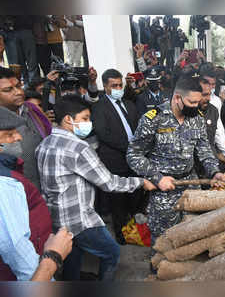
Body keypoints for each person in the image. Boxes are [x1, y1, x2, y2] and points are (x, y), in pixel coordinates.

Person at [35, 95, 156, 281]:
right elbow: (109, 183)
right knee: (112, 252)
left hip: (57, 217)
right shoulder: (78, 148)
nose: (89, 123)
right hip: (79, 219)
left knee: (72, 257)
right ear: (68, 119)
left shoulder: (44, 144)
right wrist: (140, 182)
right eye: (84, 118)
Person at [126, 76, 224, 251]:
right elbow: (133, 155)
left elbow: (204, 150)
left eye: (197, 102)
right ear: (177, 97)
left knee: (193, 234)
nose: (196, 106)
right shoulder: (153, 119)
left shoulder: (197, 118)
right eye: (191, 102)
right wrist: (157, 178)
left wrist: (214, 172)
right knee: (163, 241)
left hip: (191, 187)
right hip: (163, 191)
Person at [0, 106, 71, 281]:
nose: (19, 137)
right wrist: (53, 257)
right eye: (9, 134)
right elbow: (17, 251)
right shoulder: (4, 184)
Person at [91, 69, 143, 244]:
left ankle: (136, 227)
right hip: (115, 159)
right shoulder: (99, 107)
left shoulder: (129, 104)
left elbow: (138, 127)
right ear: (105, 87)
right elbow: (103, 133)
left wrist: (140, 147)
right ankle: (121, 232)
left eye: (120, 85)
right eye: (114, 86)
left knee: (136, 193)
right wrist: (129, 147)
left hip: (134, 158)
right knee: (118, 198)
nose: (118, 88)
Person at [0, 67, 51, 188]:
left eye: (18, 86)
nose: (18, 92)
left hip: (45, 187)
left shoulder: (32, 110)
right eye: (8, 90)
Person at [198, 68, 225, 169]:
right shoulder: (191, 101)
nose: (211, 87)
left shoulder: (216, 102)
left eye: (213, 84)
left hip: (209, 155)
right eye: (207, 83)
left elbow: (219, 132)